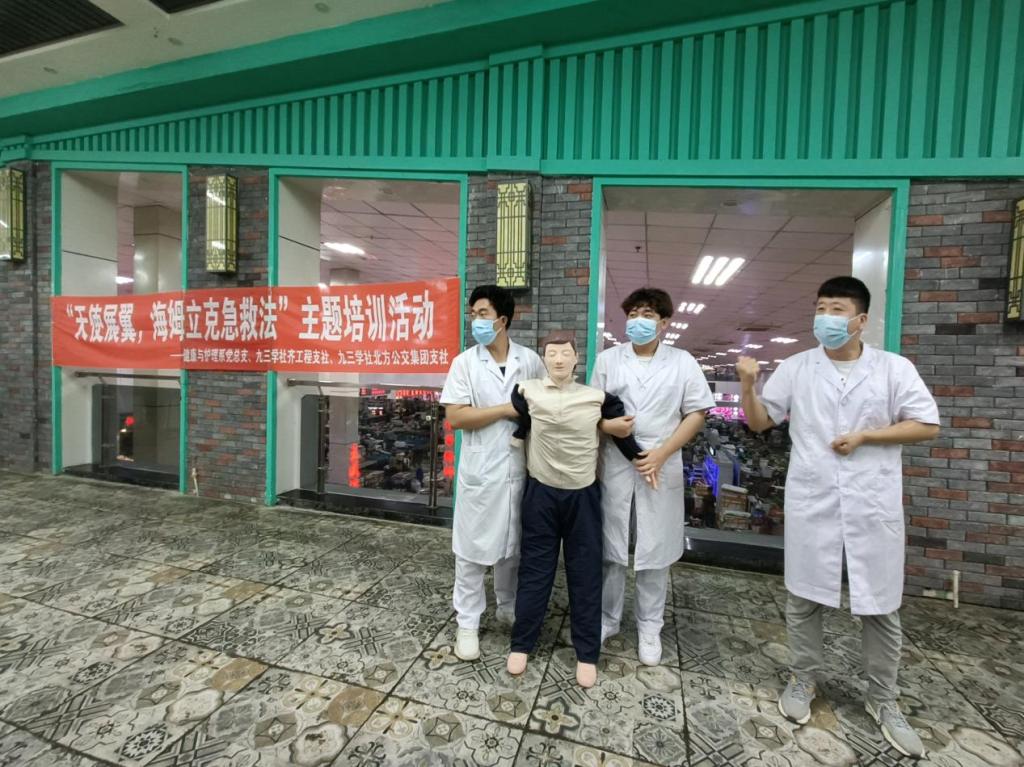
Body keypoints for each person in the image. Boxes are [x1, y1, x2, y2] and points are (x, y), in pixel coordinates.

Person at [737, 276, 940, 759]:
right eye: (821, 307)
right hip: (815, 497)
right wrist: (747, 385)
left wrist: (867, 436)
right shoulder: (797, 367)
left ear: (860, 320)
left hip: (872, 500)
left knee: (880, 605)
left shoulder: (893, 368)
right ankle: (803, 678)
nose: (825, 317)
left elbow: (926, 424)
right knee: (804, 597)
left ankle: (883, 698)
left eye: (836, 309)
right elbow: (761, 421)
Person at [504, 332, 643, 688]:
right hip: (541, 494)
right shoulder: (527, 390)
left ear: (577, 358)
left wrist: (642, 459)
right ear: (543, 359)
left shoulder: (596, 397)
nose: (559, 359)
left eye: (566, 353)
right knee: (535, 570)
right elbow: (522, 416)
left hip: (583, 496)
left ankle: (587, 652)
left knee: (585, 573)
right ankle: (522, 643)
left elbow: (621, 430)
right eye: (552, 353)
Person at [592, 287, 715, 666]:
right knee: (610, 550)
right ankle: (607, 619)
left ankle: (649, 627)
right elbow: (590, 410)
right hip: (616, 463)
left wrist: (661, 453)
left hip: (661, 464)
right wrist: (607, 426)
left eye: (647, 315)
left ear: (663, 323)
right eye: (633, 314)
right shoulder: (608, 359)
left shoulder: (682, 362)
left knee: (654, 553)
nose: (638, 321)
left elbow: (696, 412)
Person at [440, 285, 546, 661]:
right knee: (471, 552)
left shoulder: (530, 361)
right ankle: (467, 623)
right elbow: (456, 417)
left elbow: (544, 406)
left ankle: (507, 605)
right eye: (472, 314)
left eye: (482, 313)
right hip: (481, 471)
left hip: (520, 468)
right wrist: (504, 409)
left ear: (502, 319)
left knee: (512, 548)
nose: (476, 321)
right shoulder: (464, 363)